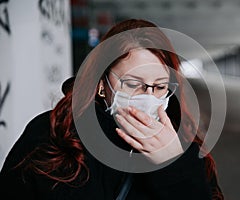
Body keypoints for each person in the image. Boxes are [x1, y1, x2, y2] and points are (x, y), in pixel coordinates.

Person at [0, 19, 224, 199]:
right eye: (133, 84)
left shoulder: (185, 146)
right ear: (101, 83)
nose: (148, 98)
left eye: (159, 87)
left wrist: (175, 165)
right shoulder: (51, 136)